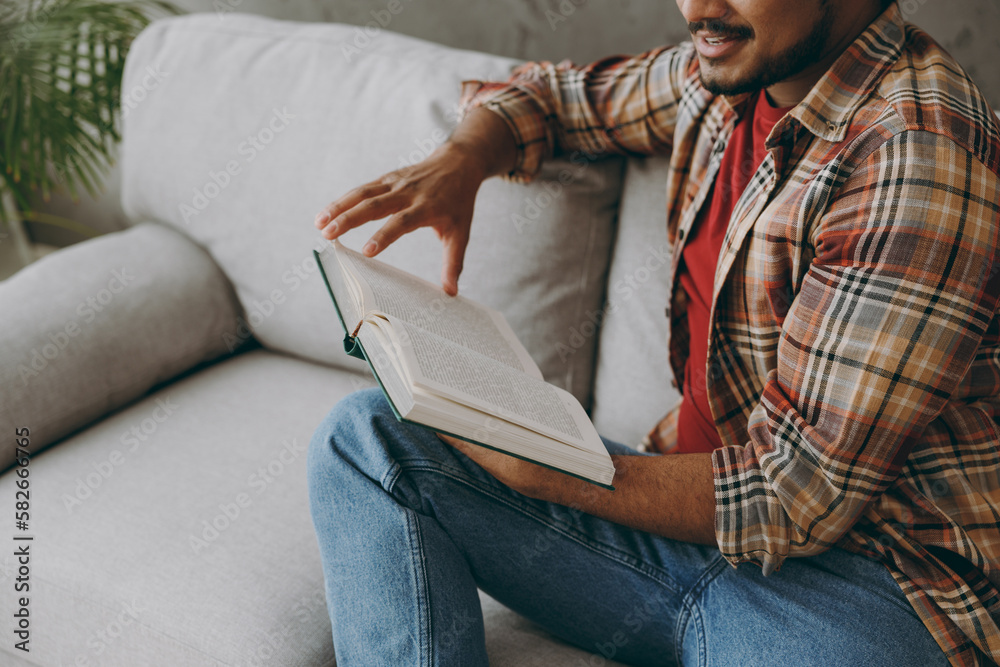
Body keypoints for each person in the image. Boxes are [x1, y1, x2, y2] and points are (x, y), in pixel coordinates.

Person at [307, 0, 1000, 664]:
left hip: (867, 591)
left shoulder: (916, 154)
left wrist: (558, 472)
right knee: (367, 438)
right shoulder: (729, 68)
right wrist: (465, 157)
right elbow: (556, 98)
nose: (696, 7)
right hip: (681, 529)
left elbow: (795, 496)